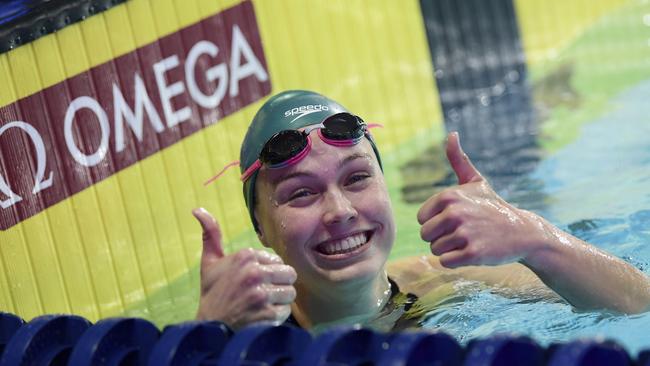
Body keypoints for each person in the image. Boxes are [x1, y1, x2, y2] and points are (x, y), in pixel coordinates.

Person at [193, 90, 650, 331]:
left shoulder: (445, 281)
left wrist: (535, 237)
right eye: (301, 194)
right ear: (260, 228)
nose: (340, 211)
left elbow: (642, 305)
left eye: (356, 179)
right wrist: (209, 331)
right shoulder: (240, 330)